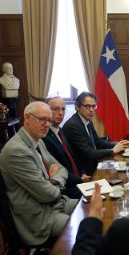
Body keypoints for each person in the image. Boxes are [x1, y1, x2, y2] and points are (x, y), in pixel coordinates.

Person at [0, 101, 78, 246]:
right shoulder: (16, 151)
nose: (47, 124)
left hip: (57, 204)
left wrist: (52, 180)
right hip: (39, 218)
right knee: (85, 228)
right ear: (27, 118)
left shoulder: (38, 140)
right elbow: (48, 194)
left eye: (49, 120)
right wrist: (54, 181)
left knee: (94, 207)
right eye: (42, 119)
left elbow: (62, 169)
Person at [63, 92, 129, 175]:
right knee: (120, 175)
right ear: (77, 107)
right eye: (87, 106)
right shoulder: (73, 125)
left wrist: (119, 144)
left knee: (127, 168)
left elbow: (98, 142)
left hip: (95, 163)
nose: (91, 110)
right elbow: (89, 153)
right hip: (84, 171)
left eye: (93, 106)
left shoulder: (88, 121)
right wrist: (113, 150)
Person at [43, 96, 91, 199]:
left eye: (63, 109)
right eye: (56, 109)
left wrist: (82, 174)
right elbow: (58, 169)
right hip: (66, 188)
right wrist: (80, 179)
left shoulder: (60, 130)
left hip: (78, 181)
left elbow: (73, 158)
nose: (60, 113)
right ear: (46, 111)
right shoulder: (44, 137)